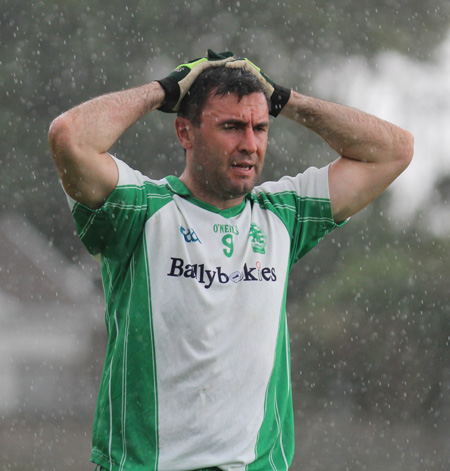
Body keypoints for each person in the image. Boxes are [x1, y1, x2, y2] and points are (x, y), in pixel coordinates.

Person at [48, 50, 413, 471]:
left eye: (260, 128)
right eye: (231, 127)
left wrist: (284, 99)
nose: (250, 145)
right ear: (184, 132)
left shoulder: (283, 215)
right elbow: (69, 136)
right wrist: (163, 91)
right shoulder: (140, 209)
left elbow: (395, 150)